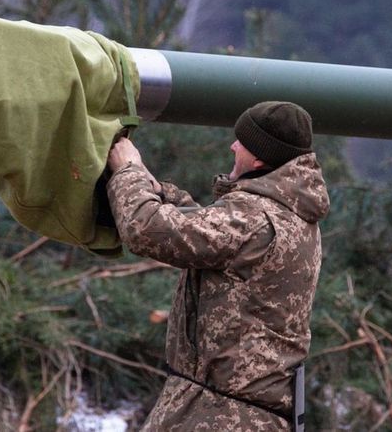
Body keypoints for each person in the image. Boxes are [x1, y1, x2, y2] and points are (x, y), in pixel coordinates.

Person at [105, 101, 330, 431]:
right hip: (240, 414)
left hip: (219, 416)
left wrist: (128, 169)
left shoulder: (255, 217)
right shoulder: (291, 215)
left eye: (242, 141)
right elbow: (212, 233)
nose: (233, 145)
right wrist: (159, 192)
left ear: (260, 157)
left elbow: (145, 228)